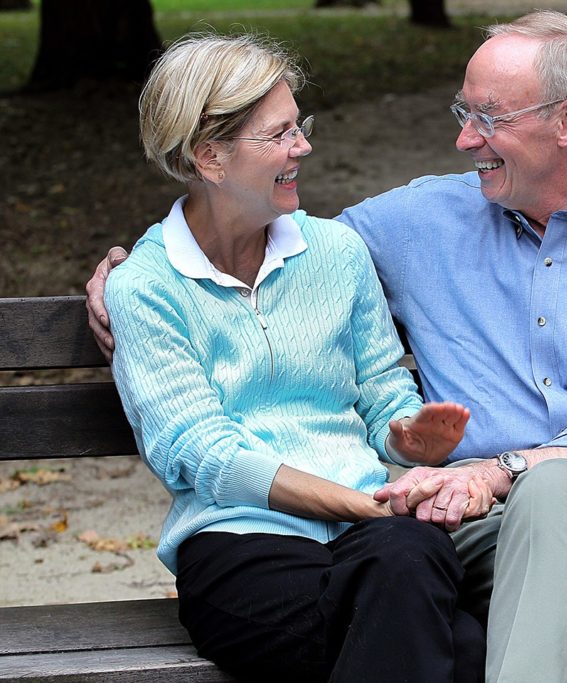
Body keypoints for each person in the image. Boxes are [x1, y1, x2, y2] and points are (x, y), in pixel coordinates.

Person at [88, 11, 567, 683]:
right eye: (463, 112)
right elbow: (249, 229)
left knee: (555, 489)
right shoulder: (418, 220)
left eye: (488, 118)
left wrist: (499, 468)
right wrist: (127, 269)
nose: (462, 139)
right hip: (482, 519)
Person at [100, 32, 486, 683]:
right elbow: (207, 453)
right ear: (210, 156)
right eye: (279, 134)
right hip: (243, 546)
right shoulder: (146, 286)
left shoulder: (335, 251)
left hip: (380, 539)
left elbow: (384, 393)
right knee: (467, 648)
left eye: (298, 126)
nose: (302, 146)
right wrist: (358, 502)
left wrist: (409, 438)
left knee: (405, 567)